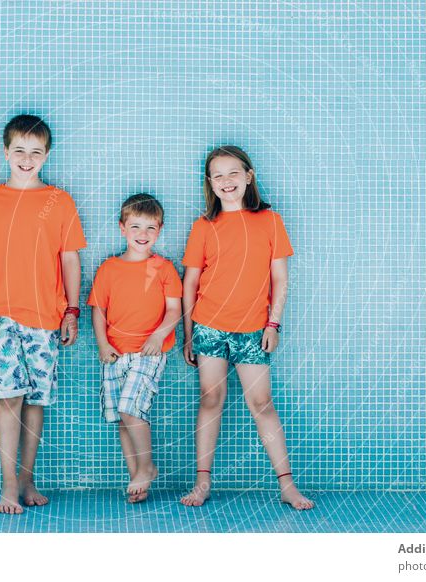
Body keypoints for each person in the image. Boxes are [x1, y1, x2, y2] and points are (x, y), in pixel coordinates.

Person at [0, 114, 87, 514]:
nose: (26, 159)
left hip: (45, 316)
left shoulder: (59, 202)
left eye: (35, 152)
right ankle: (8, 484)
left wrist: (72, 311)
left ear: (46, 155)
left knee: (35, 400)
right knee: (8, 398)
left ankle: (27, 478)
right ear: (5, 153)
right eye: (19, 151)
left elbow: (70, 261)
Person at [180, 145, 314, 510]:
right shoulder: (204, 227)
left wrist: (274, 324)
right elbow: (190, 283)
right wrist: (190, 333)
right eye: (218, 175)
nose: (226, 181)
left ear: (248, 176)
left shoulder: (270, 221)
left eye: (233, 173)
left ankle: (287, 486)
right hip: (209, 326)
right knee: (211, 399)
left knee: (262, 403)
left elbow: (280, 280)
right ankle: (202, 482)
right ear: (210, 183)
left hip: (253, 327)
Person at [88, 194, 182, 503]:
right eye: (136, 227)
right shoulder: (109, 269)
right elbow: (99, 310)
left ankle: (146, 467)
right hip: (115, 354)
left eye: (150, 228)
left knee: (131, 408)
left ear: (159, 230)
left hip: (148, 353)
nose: (143, 235)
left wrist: (159, 336)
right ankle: (137, 480)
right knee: (120, 417)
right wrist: (102, 344)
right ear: (122, 229)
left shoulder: (164, 269)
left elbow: (173, 310)